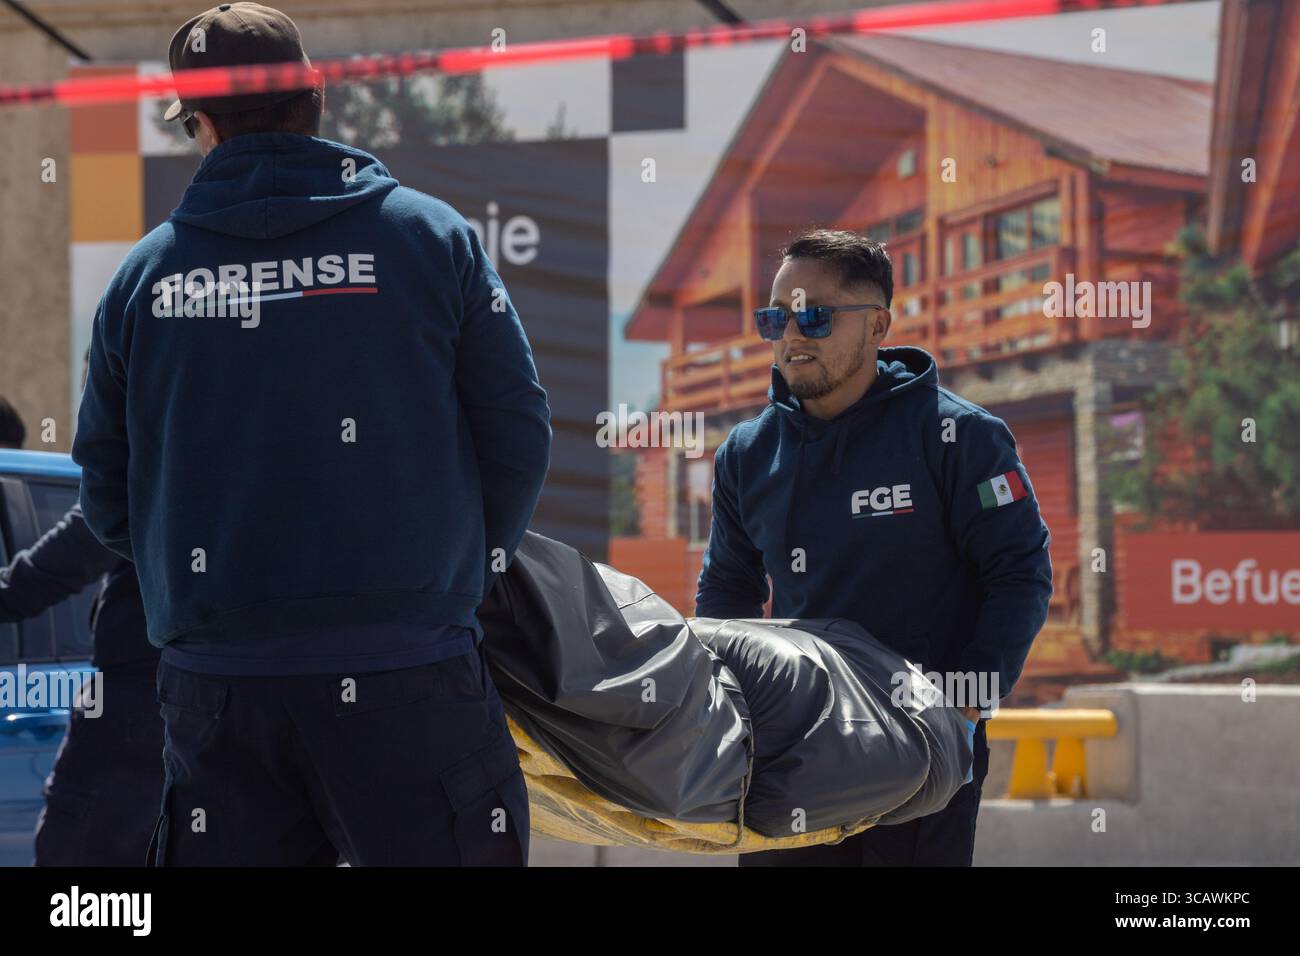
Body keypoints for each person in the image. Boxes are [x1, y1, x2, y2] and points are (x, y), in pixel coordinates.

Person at [73, 3, 552, 866]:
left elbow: (106, 486)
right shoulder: (430, 237)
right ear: (315, 97)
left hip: (220, 690)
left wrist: (195, 595)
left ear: (201, 123)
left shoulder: (144, 278)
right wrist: (453, 577)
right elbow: (516, 431)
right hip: (410, 676)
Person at [696, 229, 1053, 866]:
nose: (792, 335)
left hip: (918, 751)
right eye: (776, 318)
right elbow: (727, 595)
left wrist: (963, 714)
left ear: (878, 324)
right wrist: (724, 720)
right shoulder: (746, 454)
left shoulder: (960, 437)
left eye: (815, 315)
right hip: (787, 754)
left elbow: (1020, 576)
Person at [0, 393, 163, 866]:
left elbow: (62, 562)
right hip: (220, 691)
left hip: (138, 696)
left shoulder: (151, 460)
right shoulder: (243, 456)